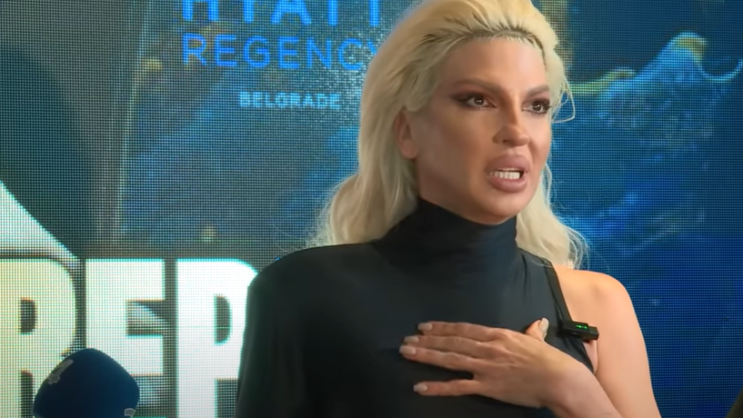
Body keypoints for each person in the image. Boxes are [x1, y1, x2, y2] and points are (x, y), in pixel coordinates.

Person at [234, 0, 661, 416]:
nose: (517, 132)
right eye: (478, 100)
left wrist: (571, 389)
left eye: (536, 106)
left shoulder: (598, 304)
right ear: (406, 130)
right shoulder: (301, 292)